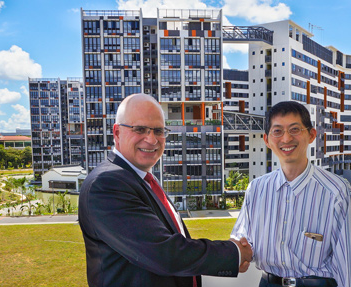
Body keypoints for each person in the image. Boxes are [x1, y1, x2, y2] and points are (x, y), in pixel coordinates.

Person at [79, 93, 252, 287]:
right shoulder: (107, 184)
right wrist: (234, 253)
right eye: (140, 129)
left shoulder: (142, 179)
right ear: (117, 133)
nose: (152, 139)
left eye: (159, 130)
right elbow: (165, 254)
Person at [231, 101, 351, 287]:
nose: (286, 139)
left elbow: (348, 262)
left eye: (294, 129)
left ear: (311, 135)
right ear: (267, 140)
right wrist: (239, 253)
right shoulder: (256, 189)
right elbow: (242, 238)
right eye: (277, 131)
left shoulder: (336, 192)